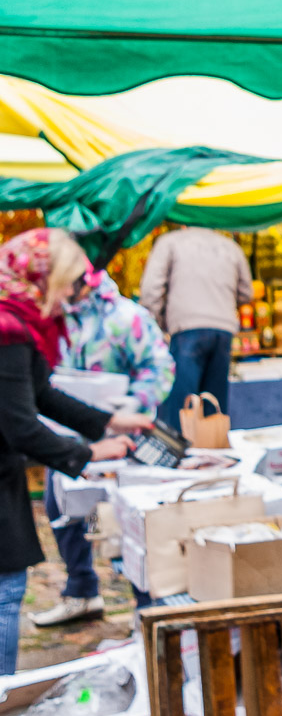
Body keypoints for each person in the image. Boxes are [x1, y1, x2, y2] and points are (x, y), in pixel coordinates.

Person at [0, 229, 151, 674]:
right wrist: (87, 454)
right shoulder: (8, 328)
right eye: (67, 281)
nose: (70, 294)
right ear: (41, 278)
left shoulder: (14, 318)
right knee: (6, 592)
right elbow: (19, 424)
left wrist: (107, 422)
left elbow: (40, 393)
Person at [30, 269, 174, 627]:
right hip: (65, 440)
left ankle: (147, 610)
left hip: (121, 442)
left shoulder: (127, 317)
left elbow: (159, 368)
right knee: (61, 512)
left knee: (126, 525)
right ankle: (82, 591)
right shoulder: (50, 316)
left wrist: (127, 406)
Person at [139, 227, 252, 430]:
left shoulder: (170, 241)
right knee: (213, 405)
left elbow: (150, 291)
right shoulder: (230, 247)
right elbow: (246, 293)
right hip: (222, 329)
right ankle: (213, 454)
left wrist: (157, 324)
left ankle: (180, 454)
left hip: (186, 328)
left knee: (182, 406)